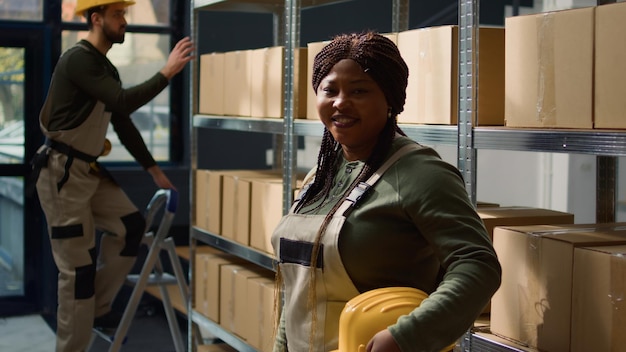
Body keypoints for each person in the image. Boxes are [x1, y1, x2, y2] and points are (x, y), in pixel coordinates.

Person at [270, 31, 501, 352]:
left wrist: (407, 336)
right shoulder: (319, 176)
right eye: (329, 90)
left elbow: (478, 265)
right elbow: (300, 289)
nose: (340, 102)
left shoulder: (420, 172)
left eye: (359, 90)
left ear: (390, 99)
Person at [30, 0, 194, 351]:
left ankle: (97, 309)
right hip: (62, 175)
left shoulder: (103, 68)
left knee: (131, 227)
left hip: (87, 171)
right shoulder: (78, 60)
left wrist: (154, 171)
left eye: (124, 14)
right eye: (118, 14)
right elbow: (121, 102)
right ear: (96, 18)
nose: (124, 21)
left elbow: (121, 122)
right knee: (77, 273)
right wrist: (166, 73)